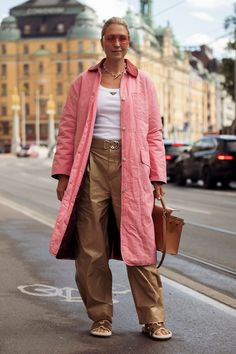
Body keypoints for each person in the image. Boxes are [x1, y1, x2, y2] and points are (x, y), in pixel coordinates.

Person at [50, 16, 172, 340]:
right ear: (102, 42)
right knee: (91, 248)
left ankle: (153, 318)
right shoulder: (84, 82)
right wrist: (62, 174)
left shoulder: (143, 81)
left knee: (142, 244)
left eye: (122, 38)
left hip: (132, 166)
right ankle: (101, 316)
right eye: (110, 38)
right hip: (92, 165)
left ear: (128, 42)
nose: (117, 43)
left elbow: (154, 132)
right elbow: (67, 130)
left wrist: (157, 176)